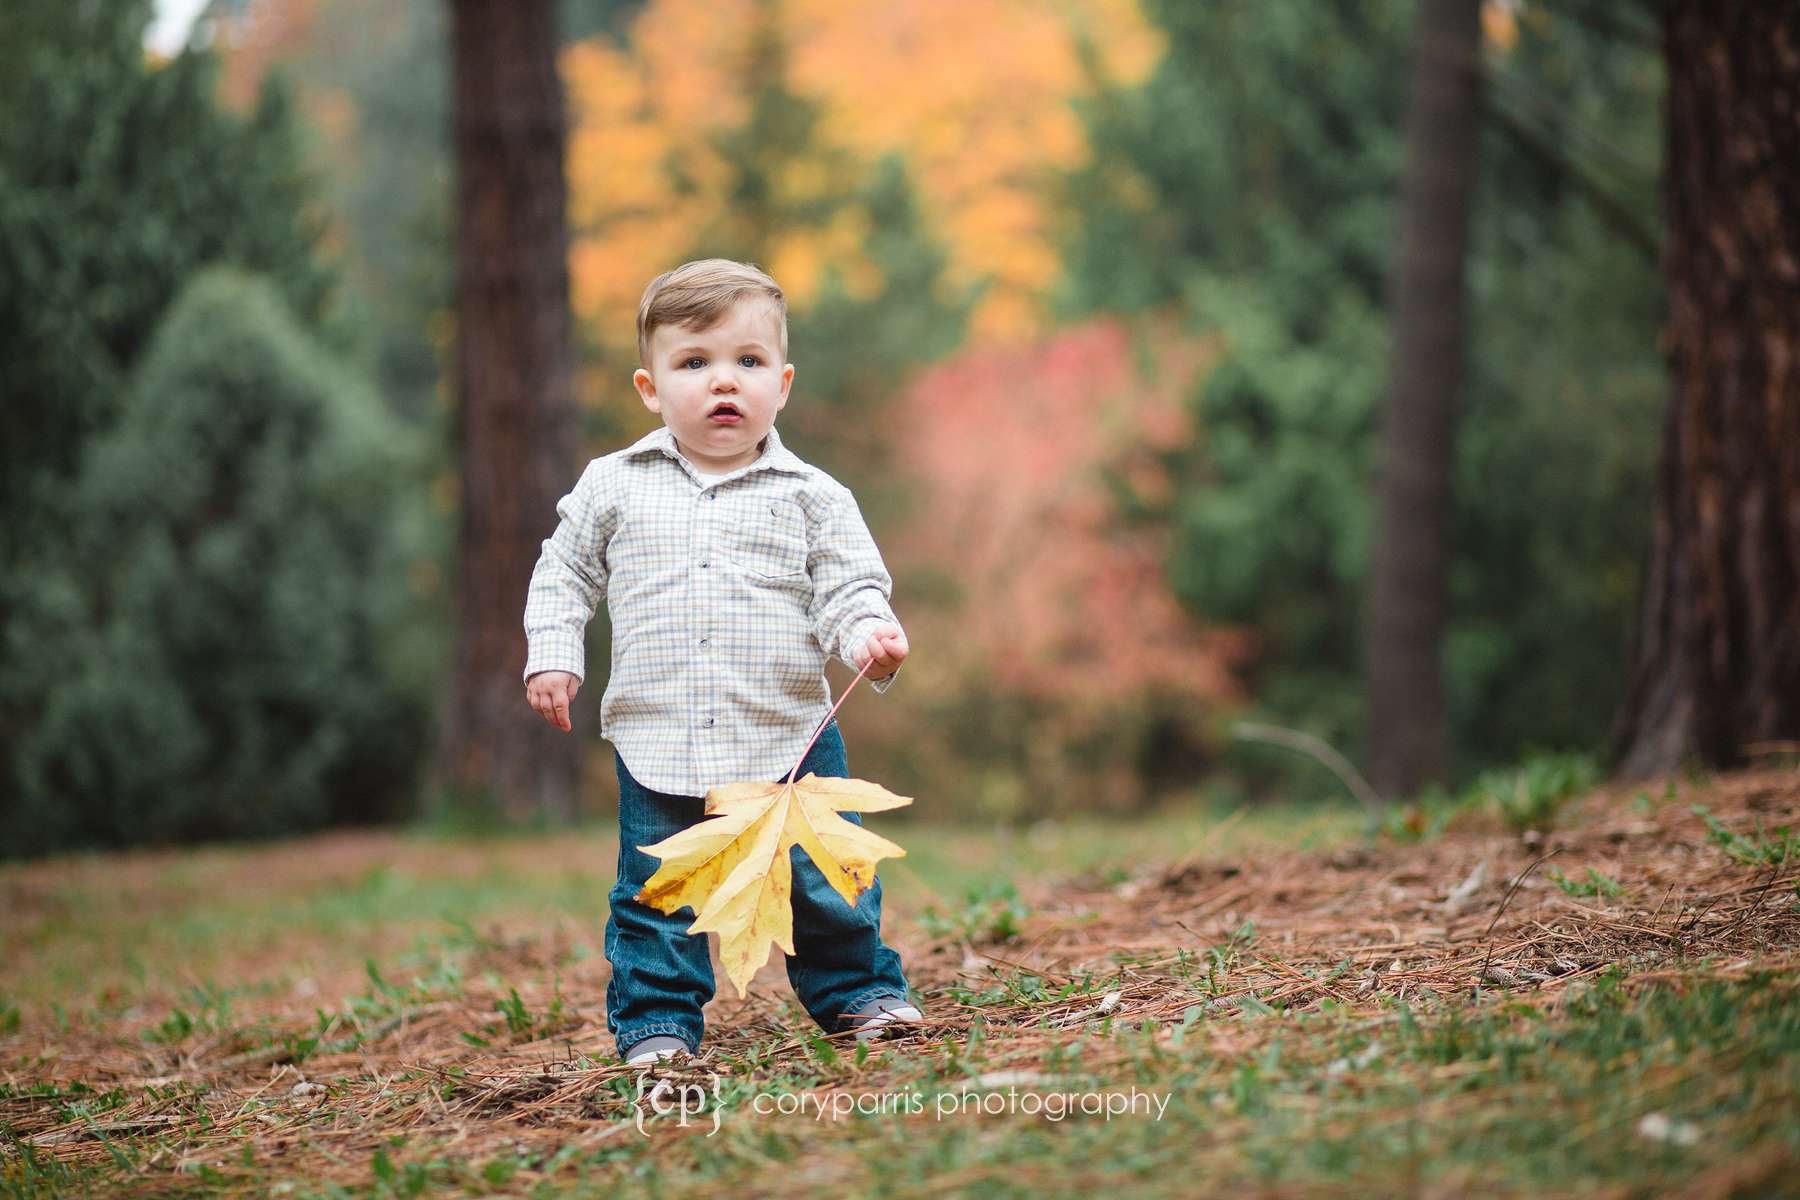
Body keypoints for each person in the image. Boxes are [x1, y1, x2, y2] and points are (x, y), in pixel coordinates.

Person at [521, 258, 923, 1067]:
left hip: (791, 740)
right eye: (694, 363)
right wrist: (554, 655)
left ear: (783, 382)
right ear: (649, 387)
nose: (722, 383)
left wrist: (870, 640)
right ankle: (659, 1025)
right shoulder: (614, 486)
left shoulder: (812, 495)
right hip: (660, 741)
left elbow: (848, 588)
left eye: (747, 362)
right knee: (656, 896)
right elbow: (564, 571)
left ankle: (861, 994)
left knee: (827, 883)